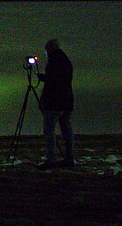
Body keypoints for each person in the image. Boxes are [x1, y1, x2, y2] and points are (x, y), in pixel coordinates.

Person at [36, 37, 74, 169]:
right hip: (66, 101)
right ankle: (69, 158)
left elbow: (53, 84)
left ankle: (51, 159)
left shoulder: (54, 62)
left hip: (54, 103)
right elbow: (61, 81)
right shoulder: (66, 61)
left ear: (50, 49)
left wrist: (44, 100)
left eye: (47, 51)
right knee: (66, 131)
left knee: (49, 131)